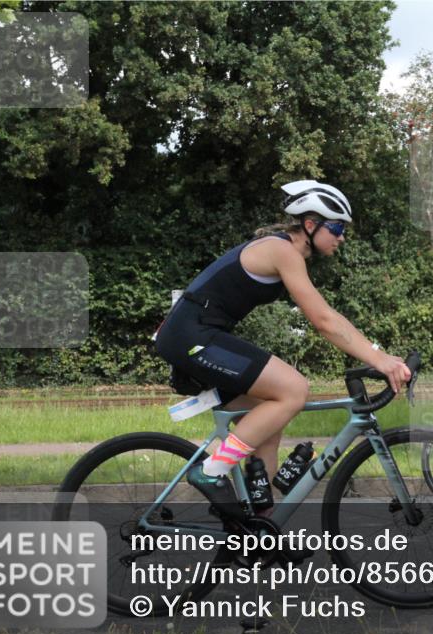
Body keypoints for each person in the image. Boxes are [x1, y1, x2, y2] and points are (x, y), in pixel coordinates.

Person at [155, 180, 411, 518]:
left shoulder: (287, 252)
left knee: (269, 418)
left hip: (197, 334)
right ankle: (211, 470)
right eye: (336, 227)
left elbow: (331, 316)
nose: (341, 236)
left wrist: (380, 354)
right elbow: (322, 320)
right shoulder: (282, 251)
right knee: (294, 389)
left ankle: (260, 529)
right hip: (191, 335)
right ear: (310, 224)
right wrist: (379, 360)